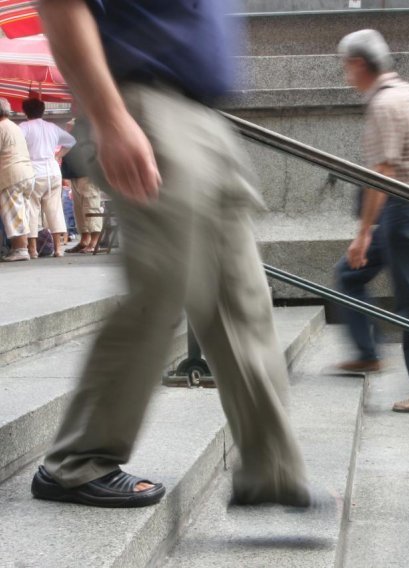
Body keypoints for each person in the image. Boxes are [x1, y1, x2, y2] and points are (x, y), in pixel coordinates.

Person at [32, 0, 318, 510]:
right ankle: (76, 461)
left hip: (202, 115)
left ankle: (270, 469)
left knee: (242, 298)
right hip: (146, 105)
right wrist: (110, 117)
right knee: (161, 288)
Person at [334, 29, 409, 413]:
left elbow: (382, 174)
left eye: (345, 67)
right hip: (406, 206)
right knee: (349, 275)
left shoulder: (385, 104)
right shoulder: (408, 92)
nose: (345, 75)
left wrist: (362, 232)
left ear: (357, 64)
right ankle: (368, 351)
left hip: (402, 208)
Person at [19, 97, 76, 258]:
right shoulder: (52, 127)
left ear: (25, 111)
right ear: (43, 110)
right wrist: (58, 155)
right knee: (55, 209)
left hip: (33, 171)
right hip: (53, 171)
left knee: (31, 209)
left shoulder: (23, 127)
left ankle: (32, 250)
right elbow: (71, 141)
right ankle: (58, 249)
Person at [0, 97, 36, 262]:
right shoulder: (13, 126)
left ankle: (21, 249)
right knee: (23, 212)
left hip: (11, 174)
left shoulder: (1, 127)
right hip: (26, 173)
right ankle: (23, 248)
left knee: (14, 213)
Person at [62, 116, 103, 253]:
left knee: (91, 206)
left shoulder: (90, 128)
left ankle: (94, 241)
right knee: (78, 209)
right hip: (75, 173)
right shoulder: (76, 128)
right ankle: (85, 239)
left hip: (88, 173)